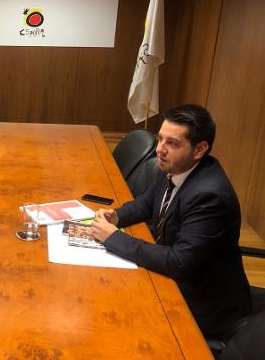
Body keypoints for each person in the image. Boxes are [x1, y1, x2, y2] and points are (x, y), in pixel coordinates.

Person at [90, 104, 251, 341]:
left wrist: (114, 237)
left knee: (111, 319)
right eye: (160, 139)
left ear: (200, 149)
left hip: (201, 307)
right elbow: (147, 203)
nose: (160, 150)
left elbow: (178, 262)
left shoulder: (210, 196)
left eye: (172, 143)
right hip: (172, 282)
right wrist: (117, 216)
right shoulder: (175, 166)